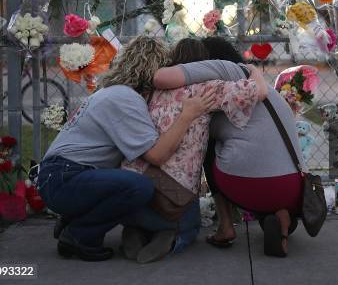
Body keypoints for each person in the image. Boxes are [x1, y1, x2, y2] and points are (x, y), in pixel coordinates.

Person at [37, 36, 216, 261]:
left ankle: (77, 219)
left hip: (60, 176)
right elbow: (157, 155)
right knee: (139, 187)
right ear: (153, 71)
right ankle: (80, 235)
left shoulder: (111, 92)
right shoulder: (126, 99)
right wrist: (187, 115)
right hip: (64, 179)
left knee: (133, 184)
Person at [153, 37, 308, 257]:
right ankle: (280, 215)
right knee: (257, 153)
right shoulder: (261, 87)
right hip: (293, 186)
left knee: (208, 142)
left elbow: (160, 78)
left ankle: (226, 226)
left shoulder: (221, 75)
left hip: (244, 182)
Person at [122, 38, 267, 262]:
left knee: (143, 207)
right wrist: (252, 69)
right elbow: (257, 92)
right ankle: (173, 235)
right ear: (203, 64)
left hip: (135, 175)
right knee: (191, 225)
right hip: (174, 188)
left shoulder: (150, 90)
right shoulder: (206, 88)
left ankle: (136, 228)